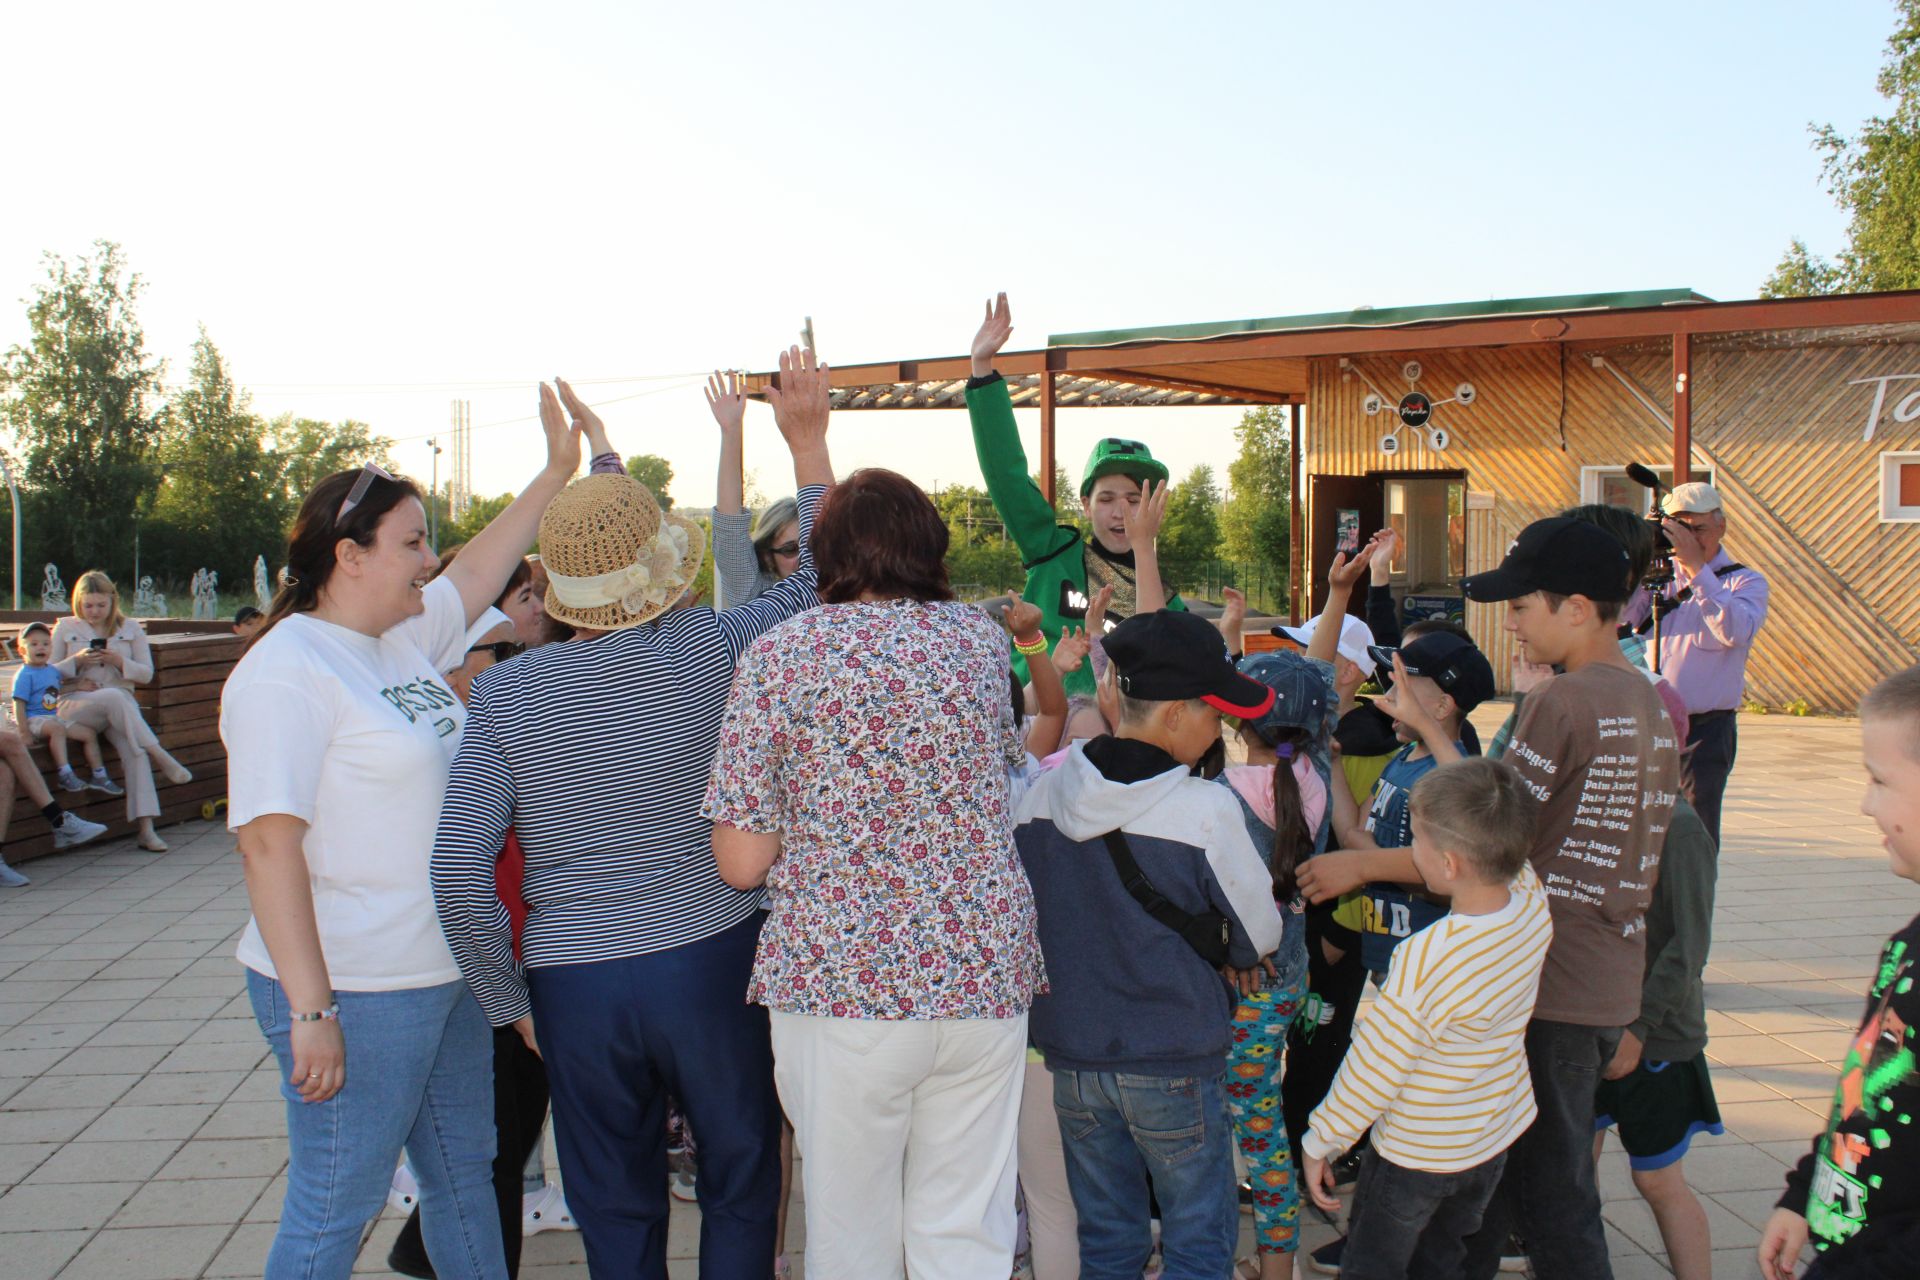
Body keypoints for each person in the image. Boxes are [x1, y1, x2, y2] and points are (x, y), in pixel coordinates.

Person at [433, 349, 834, 1280]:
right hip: (714, 958)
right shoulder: (713, 646)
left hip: (576, 981)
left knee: (614, 1209)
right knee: (742, 1181)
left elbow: (458, 872)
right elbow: (815, 577)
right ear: (660, 566)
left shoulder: (504, 696)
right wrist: (806, 443)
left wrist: (508, 1000)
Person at [221, 385, 580, 1280]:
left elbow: (475, 572)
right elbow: (267, 847)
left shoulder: (397, 641)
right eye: (411, 542)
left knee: (466, 1176)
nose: (429, 560)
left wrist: (553, 475)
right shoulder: (286, 671)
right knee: (335, 1203)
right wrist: (312, 1010)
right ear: (349, 556)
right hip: (358, 985)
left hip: (444, 971)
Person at [706, 465, 1044, 1278]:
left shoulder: (779, 655)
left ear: (824, 555)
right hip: (982, 972)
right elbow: (1004, 772)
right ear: (929, 544)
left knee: (852, 1234)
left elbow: (742, 862)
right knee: (965, 1229)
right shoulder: (978, 640)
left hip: (843, 979)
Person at [1016, 609, 1284, 1278]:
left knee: (1107, 1234)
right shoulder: (1206, 810)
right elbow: (1259, 933)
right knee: (1198, 1232)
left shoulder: (1043, 795)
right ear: (1172, 716)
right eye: (1213, 716)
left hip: (1073, 1057)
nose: (1218, 730)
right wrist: (1237, 956)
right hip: (1174, 1057)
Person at [1454, 516, 1683, 1280]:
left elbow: (1488, 830)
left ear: (1577, 608)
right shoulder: (1647, 701)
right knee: (1512, 1186)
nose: (1511, 623)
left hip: (1545, 981)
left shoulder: (1561, 701)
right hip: (1602, 980)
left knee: (1551, 1196)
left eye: (1521, 608)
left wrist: (1362, 867)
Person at [1301, 758, 1554, 1280]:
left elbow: (1376, 1065)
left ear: (1449, 865)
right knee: (1447, 1259)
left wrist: (1321, 1137)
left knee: (1375, 1264)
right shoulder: (1531, 900)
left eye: (1414, 839)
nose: (1408, 851)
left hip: (1415, 1155)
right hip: (1490, 1136)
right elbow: (1497, 819)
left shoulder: (1429, 955)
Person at [386, 610, 546, 1280]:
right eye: (500, 649)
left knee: (510, 1130)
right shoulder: (435, 749)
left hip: (521, 955)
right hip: (479, 967)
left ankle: (425, 1248)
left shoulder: (493, 726)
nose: (516, 658)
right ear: (446, 667)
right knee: (494, 1152)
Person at [1758, 665, 1920, 1280]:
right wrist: (1806, 1196)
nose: (1863, 801)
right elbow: (1863, 1095)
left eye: (1879, 780)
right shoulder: (1909, 944)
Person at [965, 293, 1184, 696]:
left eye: (1134, 500)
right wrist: (982, 371)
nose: (1121, 512)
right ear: (1085, 505)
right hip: (1043, 734)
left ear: (1155, 507)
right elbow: (1008, 478)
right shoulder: (1052, 552)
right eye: (1106, 499)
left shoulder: (1167, 602)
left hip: (1118, 745)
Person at [1221, 651, 1333, 1279]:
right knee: (1265, 1131)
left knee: (1238, 1129)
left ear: (1240, 724)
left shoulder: (1218, 797)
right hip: (1290, 976)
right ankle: (1278, 1264)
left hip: (1241, 982)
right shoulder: (1311, 777)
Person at [1592, 790, 1721, 1280]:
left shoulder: (1682, 830)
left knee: (1657, 1180)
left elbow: (1690, 946)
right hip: (1593, 1023)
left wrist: (1639, 1026)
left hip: (1657, 1038)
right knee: (1574, 1168)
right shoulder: (1603, 810)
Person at [1623, 481, 1770, 846]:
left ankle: (1692, 900)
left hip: (1703, 731)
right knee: (1637, 832)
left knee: (1694, 835)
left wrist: (1696, 570)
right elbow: (1619, 618)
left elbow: (1735, 632)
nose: (1688, 539)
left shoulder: (1743, 581)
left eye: (1698, 529)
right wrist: (1639, 558)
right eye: (1679, 529)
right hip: (1645, 722)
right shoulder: (1658, 576)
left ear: (1721, 526)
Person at [50, 571, 193, 852]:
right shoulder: (66, 627)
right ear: (78, 602)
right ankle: (161, 755)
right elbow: (47, 673)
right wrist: (77, 662)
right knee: (118, 699)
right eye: (88, 605)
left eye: (100, 605)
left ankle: (146, 828)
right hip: (77, 704)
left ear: (112, 601)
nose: (93, 612)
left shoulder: (130, 628)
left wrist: (118, 660)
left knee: (134, 749)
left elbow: (146, 674)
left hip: (118, 708)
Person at [704, 369, 803, 610]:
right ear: (769, 558)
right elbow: (730, 530)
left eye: (814, 547)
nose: (805, 559)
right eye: (791, 549)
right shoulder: (759, 600)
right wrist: (731, 430)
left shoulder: (843, 594)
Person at [13, 621, 123, 797]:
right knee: (57, 730)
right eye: (33, 644)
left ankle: (99, 775)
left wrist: (78, 686)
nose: (40, 648)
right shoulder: (25, 674)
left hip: (52, 717)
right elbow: (19, 703)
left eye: (45, 643)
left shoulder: (52, 671)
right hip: (35, 720)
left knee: (88, 734)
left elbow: (56, 690)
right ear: (22, 650)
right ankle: (65, 773)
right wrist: (24, 731)